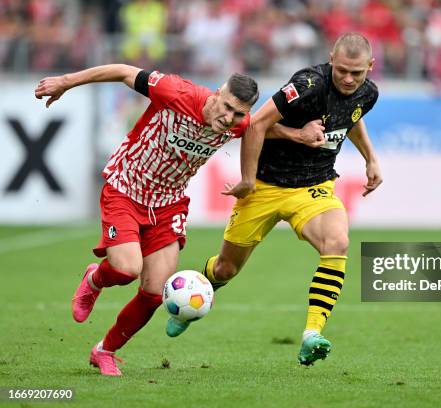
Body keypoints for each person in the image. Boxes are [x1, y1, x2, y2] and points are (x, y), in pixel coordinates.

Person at [170, 33, 383, 367]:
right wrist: (248, 180)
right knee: (227, 268)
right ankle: (189, 303)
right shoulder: (308, 84)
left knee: (337, 241)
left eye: (357, 73)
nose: (348, 78)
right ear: (331, 59)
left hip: (314, 187)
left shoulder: (368, 93)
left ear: (370, 67)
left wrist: (371, 157)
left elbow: (350, 117)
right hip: (265, 186)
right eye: (342, 70)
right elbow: (254, 125)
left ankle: (312, 334)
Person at [34, 64, 259, 376]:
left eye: (238, 114)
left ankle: (105, 351)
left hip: (168, 203)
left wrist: (251, 174)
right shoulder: (176, 91)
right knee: (126, 269)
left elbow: (257, 128)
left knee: (154, 292)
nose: (229, 118)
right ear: (218, 93)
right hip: (126, 188)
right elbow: (123, 71)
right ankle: (95, 280)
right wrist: (65, 80)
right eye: (228, 108)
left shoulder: (239, 123)